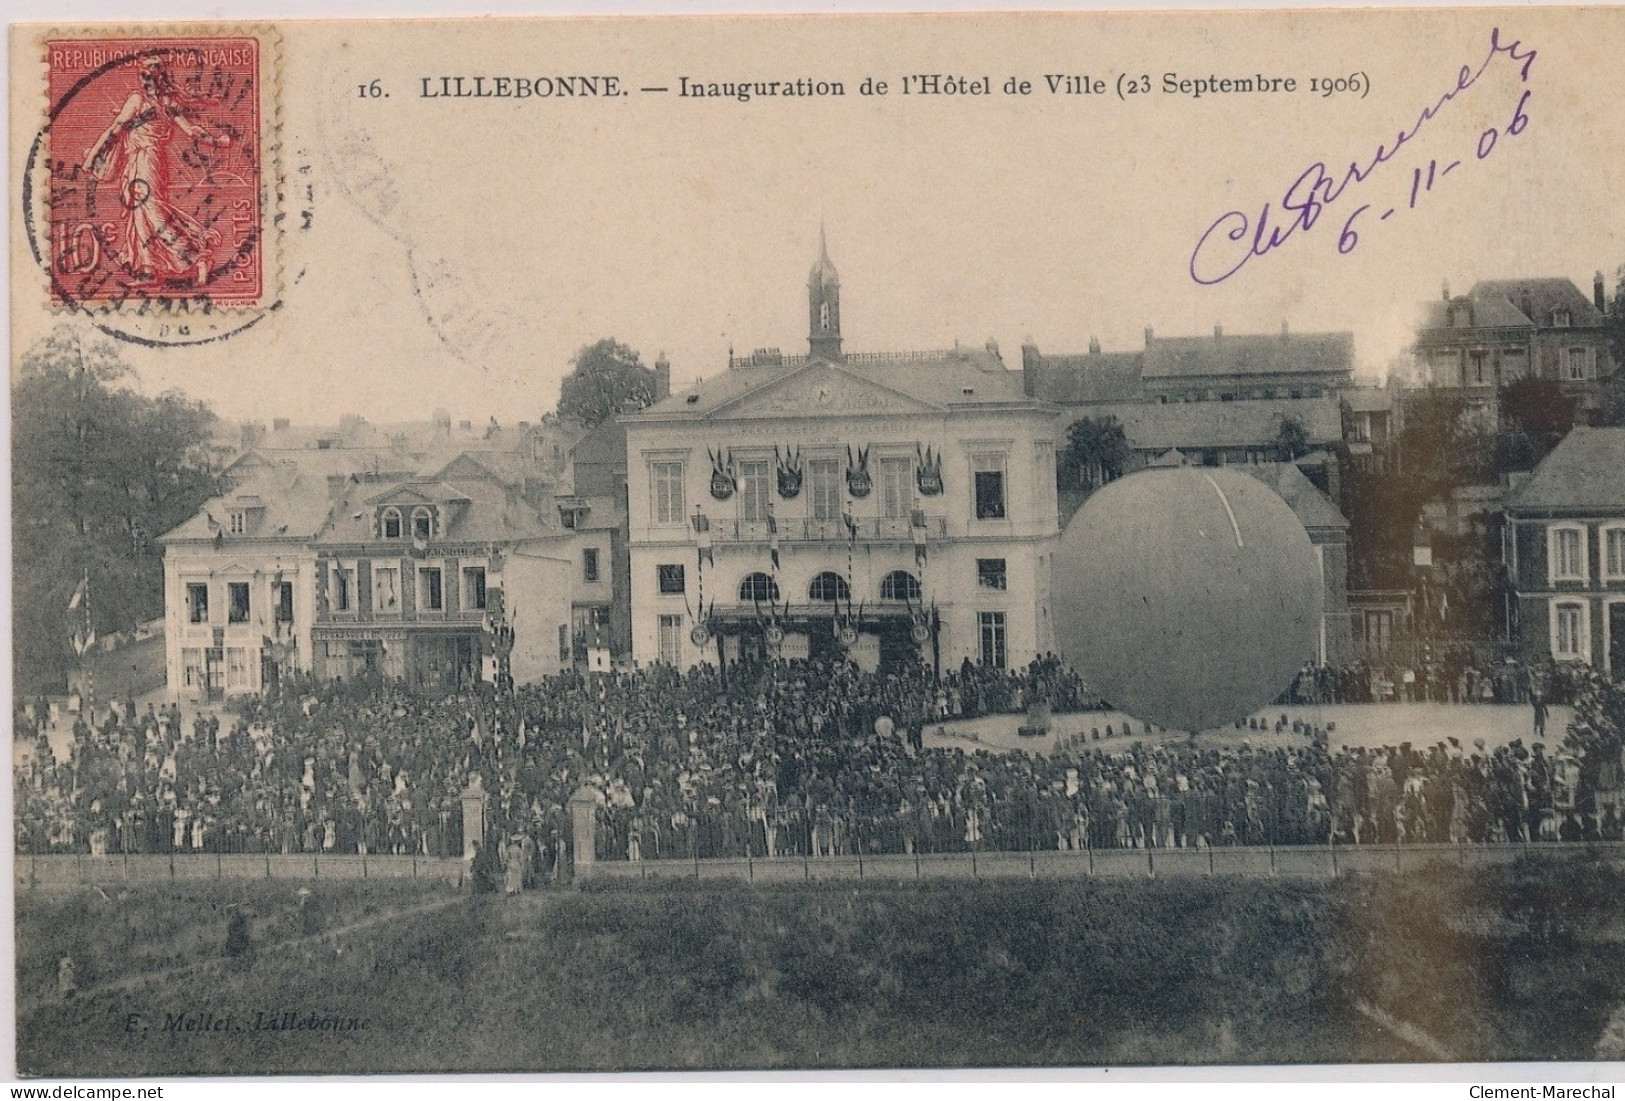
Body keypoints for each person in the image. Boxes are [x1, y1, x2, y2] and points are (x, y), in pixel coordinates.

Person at [81, 57, 232, 287]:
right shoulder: (162, 101)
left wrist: (93, 157)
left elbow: (116, 129)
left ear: (157, 78)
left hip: (147, 159)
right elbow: (190, 130)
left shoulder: (141, 100)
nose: (146, 80)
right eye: (144, 75)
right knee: (140, 211)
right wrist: (217, 141)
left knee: (151, 210)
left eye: (148, 75)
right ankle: (148, 270)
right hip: (142, 160)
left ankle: (196, 257)